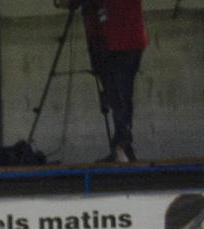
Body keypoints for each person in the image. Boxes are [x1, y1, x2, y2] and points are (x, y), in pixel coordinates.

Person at [57, 0, 148, 162]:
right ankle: (121, 146)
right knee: (115, 95)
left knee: (121, 94)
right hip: (104, 38)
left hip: (123, 38)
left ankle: (122, 146)